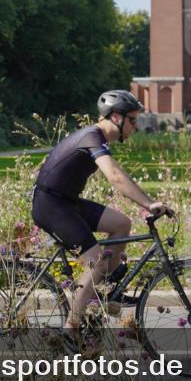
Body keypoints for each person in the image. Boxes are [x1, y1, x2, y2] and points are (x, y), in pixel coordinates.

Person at [31, 90, 169, 335]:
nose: (135, 127)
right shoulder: (92, 137)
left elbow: (117, 174)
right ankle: (71, 329)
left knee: (121, 224)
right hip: (51, 205)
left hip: (66, 202)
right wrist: (149, 204)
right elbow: (115, 177)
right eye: (133, 120)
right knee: (97, 263)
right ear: (116, 117)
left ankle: (100, 294)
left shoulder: (98, 139)